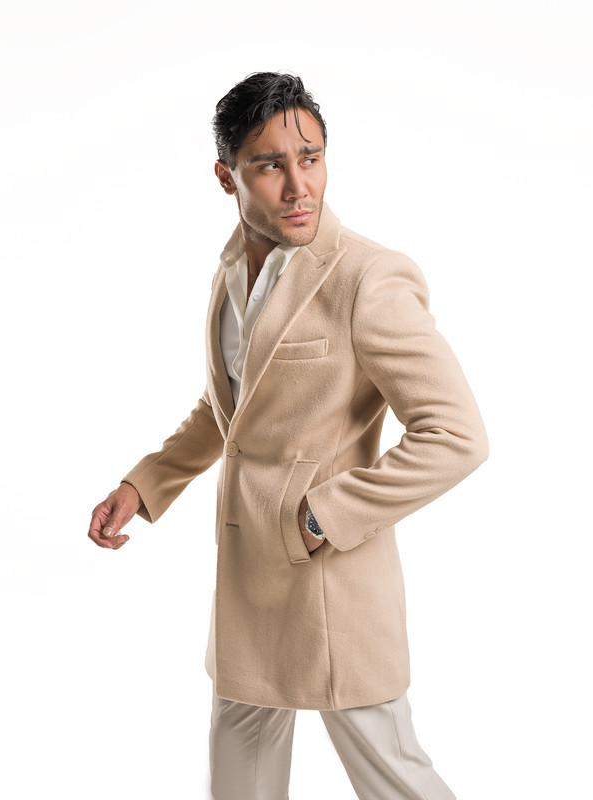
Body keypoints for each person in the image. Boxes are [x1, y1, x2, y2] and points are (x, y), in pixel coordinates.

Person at [88, 72, 488, 800]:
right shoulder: (229, 274)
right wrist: (144, 485)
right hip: (248, 588)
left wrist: (322, 516)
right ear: (226, 176)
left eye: (311, 158)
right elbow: (232, 411)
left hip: (332, 588)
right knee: (237, 780)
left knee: (394, 777)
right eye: (271, 164)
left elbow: (456, 435)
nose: (300, 186)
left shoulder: (367, 277)